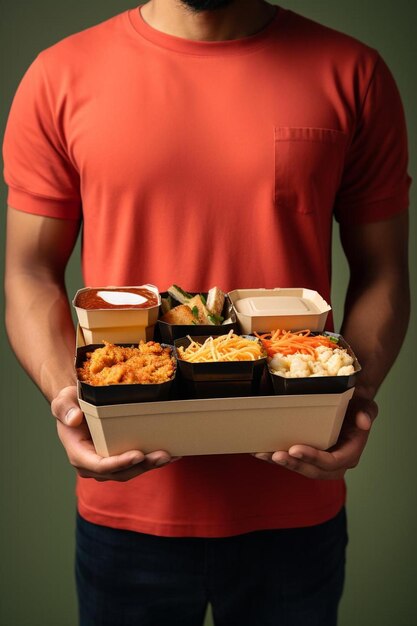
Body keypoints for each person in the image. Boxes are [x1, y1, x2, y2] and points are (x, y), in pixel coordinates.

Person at [3, 0, 411, 624]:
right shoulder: (61, 74)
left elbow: (383, 270)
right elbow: (29, 271)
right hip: (127, 502)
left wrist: (351, 397)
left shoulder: (352, 72)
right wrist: (69, 397)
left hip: (296, 495)